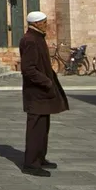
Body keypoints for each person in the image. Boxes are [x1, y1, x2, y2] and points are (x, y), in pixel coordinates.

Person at [18, 10, 69, 176]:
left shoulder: (38, 38)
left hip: (42, 91)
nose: (46, 25)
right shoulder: (30, 40)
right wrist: (46, 82)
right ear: (36, 24)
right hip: (36, 92)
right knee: (35, 128)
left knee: (43, 127)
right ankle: (31, 164)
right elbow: (28, 69)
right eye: (44, 22)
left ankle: (40, 158)